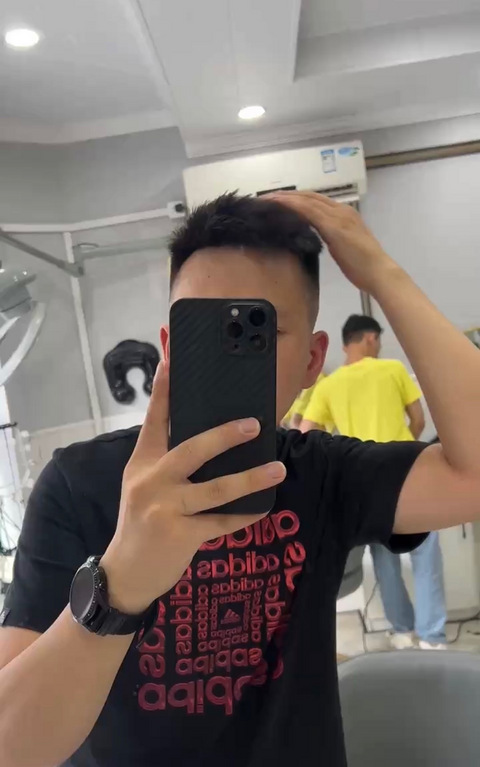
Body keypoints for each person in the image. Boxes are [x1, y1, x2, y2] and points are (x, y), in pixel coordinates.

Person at [2, 192, 480, 767]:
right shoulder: (78, 483)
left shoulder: (325, 473)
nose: (225, 362)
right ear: (169, 348)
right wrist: (120, 583)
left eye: (256, 332)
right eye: (202, 332)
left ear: (312, 360)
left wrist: (383, 273)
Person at [301, 314, 447, 650]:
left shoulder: (328, 385)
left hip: (362, 485)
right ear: (370, 338)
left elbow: (306, 433)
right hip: (411, 477)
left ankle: (402, 632)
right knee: (425, 557)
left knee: (385, 563)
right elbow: (418, 418)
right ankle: (432, 638)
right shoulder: (393, 369)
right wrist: (404, 452)